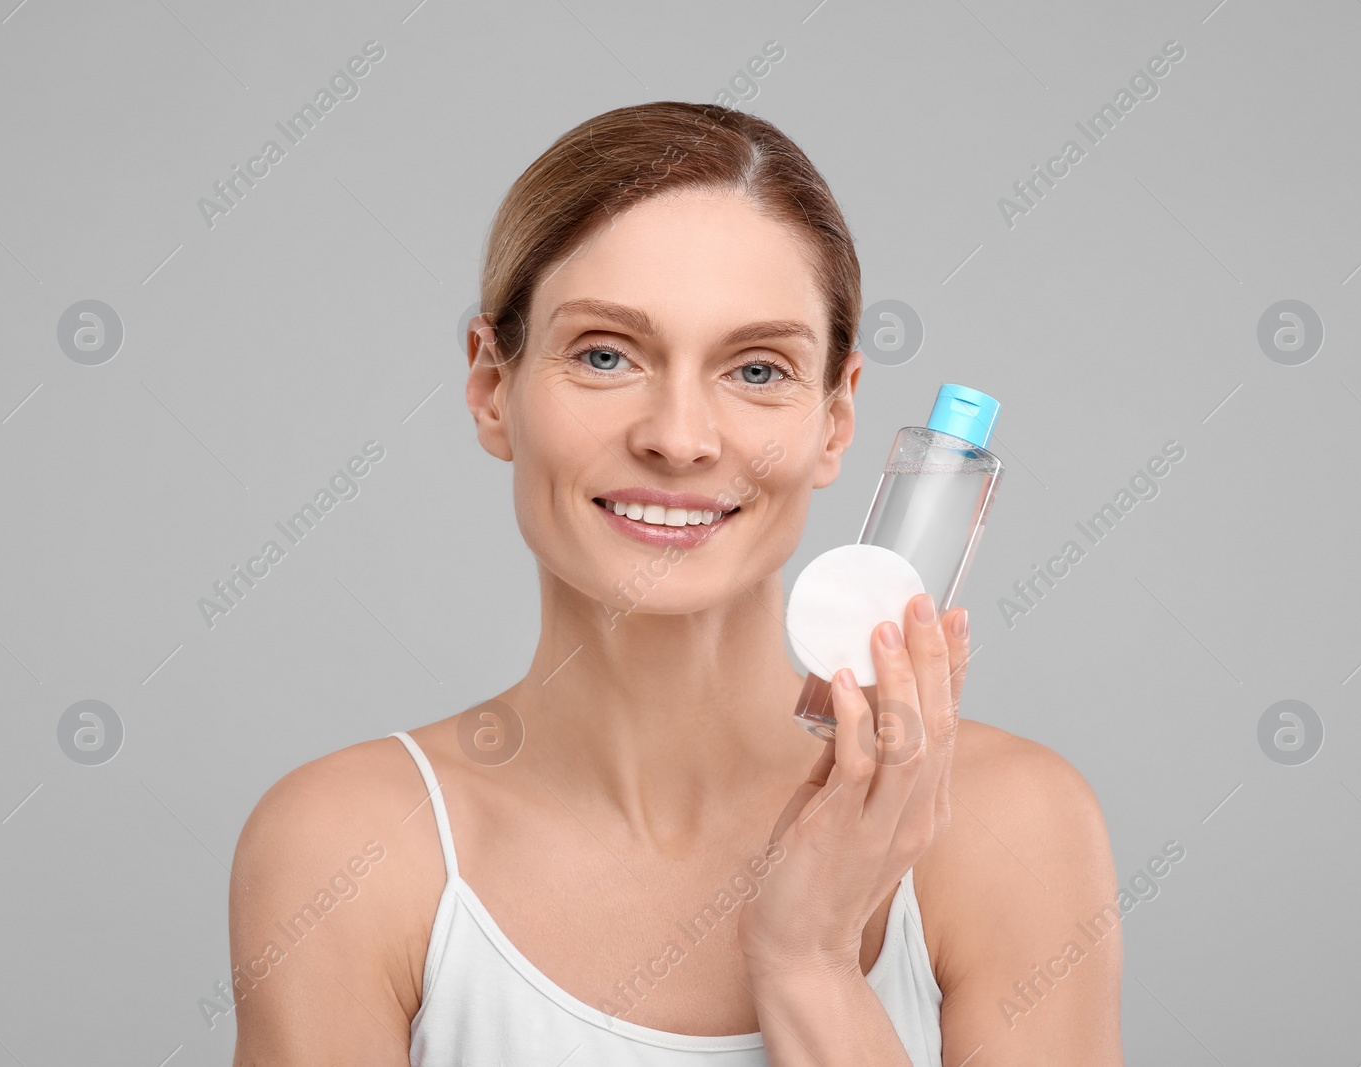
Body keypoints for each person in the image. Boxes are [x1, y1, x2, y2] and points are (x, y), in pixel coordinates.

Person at [229, 101, 1122, 1066]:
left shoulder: (1009, 826)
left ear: (836, 419)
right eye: (606, 354)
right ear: (494, 388)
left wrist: (810, 963)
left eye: (758, 368)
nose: (680, 435)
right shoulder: (349, 850)